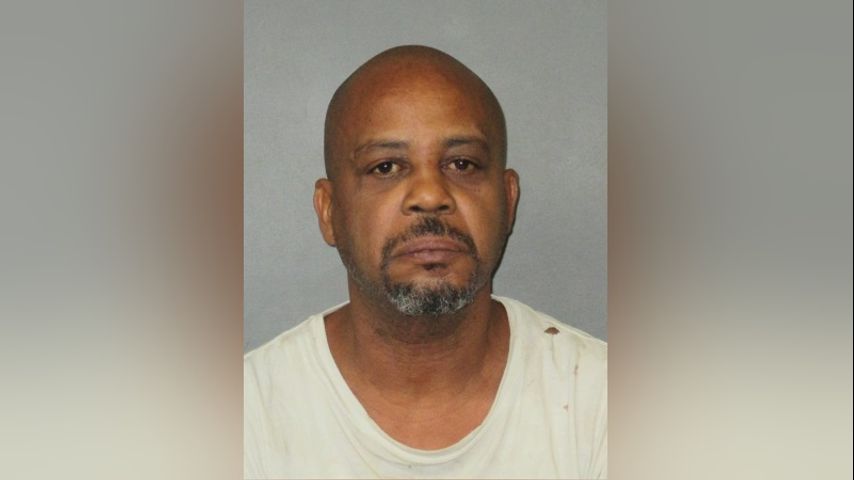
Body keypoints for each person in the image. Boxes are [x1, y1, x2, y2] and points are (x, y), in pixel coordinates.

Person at [244, 45, 607, 479]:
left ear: (508, 201)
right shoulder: (246, 417)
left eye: (462, 164)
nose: (431, 195)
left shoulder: (603, 402)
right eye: (386, 167)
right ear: (329, 211)